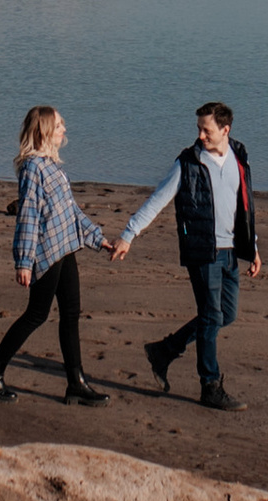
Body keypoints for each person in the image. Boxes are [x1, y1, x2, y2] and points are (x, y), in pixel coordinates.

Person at [110, 100, 259, 411]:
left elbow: (245, 207)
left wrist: (253, 246)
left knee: (225, 315)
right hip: (202, 252)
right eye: (199, 130)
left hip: (231, 252)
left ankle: (165, 350)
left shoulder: (240, 158)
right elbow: (158, 199)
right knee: (210, 316)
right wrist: (128, 234)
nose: (201, 136)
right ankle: (210, 385)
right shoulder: (187, 164)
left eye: (207, 130)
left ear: (225, 130)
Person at [0, 105, 113, 406]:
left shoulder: (52, 165)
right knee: (36, 315)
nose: (65, 128)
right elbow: (28, 216)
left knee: (71, 313)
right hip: (45, 252)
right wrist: (24, 261)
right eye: (60, 124)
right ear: (45, 130)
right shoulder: (33, 168)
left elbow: (70, 212)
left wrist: (97, 238)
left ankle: (76, 383)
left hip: (66, 248)